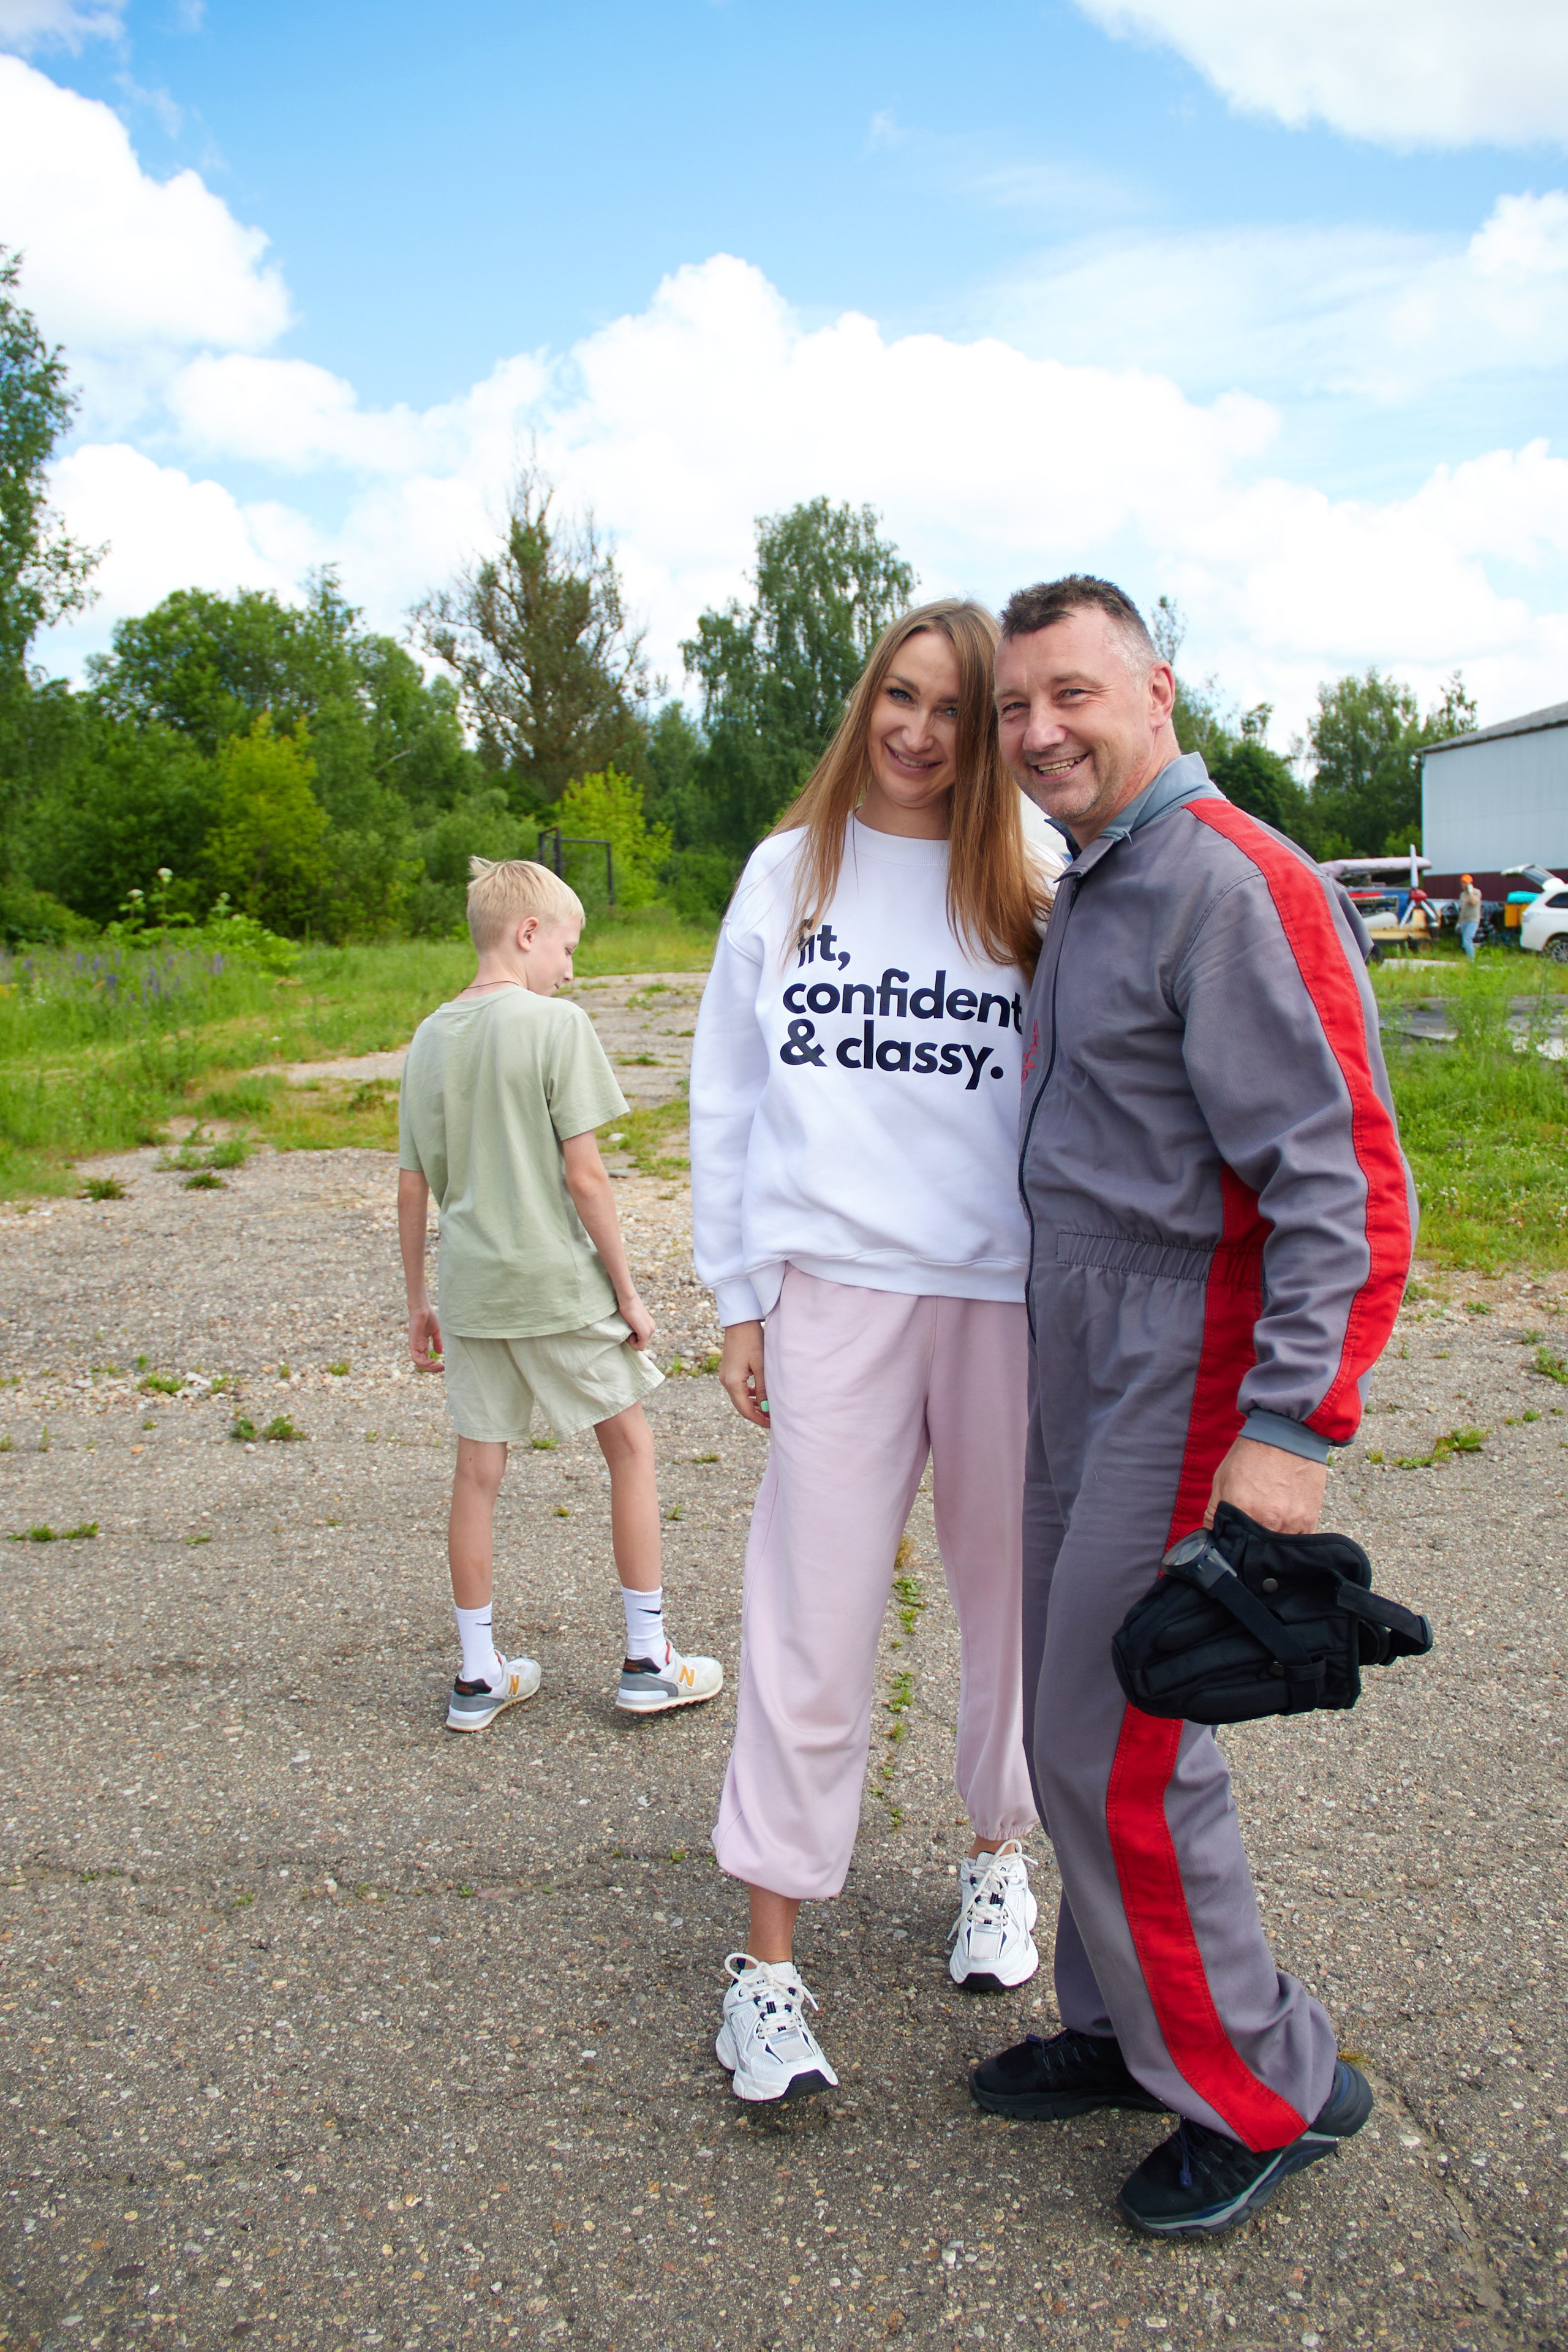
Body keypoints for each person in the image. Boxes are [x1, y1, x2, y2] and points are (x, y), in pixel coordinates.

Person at [971, 576, 1414, 2236]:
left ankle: (1267, 2085)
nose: (1039, 735)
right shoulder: (1098, 881)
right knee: (1059, 1717)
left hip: (1191, 1352)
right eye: (1019, 708)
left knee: (1124, 1742)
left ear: (1157, 689)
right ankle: (1125, 2022)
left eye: (1071, 696)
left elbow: (1352, 1190)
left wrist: (1293, 1430)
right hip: (1078, 1341)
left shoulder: (1236, 882)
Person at [690, 598, 1060, 2104]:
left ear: (988, 729)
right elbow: (727, 1092)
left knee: (1012, 1608)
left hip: (1003, 1299)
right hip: (832, 1291)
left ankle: (994, 1859)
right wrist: (735, 1292)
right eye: (895, 699)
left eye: (951, 709)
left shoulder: (1031, 872)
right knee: (808, 1616)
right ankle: (764, 1967)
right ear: (865, 704)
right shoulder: (790, 871)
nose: (915, 731)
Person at [398, 856, 722, 1730]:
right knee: (630, 1449)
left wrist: (417, 1300)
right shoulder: (554, 1026)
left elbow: (412, 1185)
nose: (572, 971)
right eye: (570, 949)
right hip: (553, 1283)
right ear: (529, 933)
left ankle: (477, 1674)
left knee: (477, 1471)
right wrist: (630, 1294)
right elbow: (587, 1178)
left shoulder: (427, 1037)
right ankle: (649, 1659)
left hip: (469, 1290)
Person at [1458, 873, 1483, 959]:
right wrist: (1459, 922)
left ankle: (1472, 961)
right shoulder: (1462, 895)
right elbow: (1462, 910)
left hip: (1473, 920)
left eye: (1466, 883)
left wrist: (1470, 892)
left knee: (1467, 940)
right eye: (1463, 883)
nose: (1464, 885)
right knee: (1464, 943)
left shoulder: (1476, 892)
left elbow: (1474, 902)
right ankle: (1469, 958)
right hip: (1464, 920)